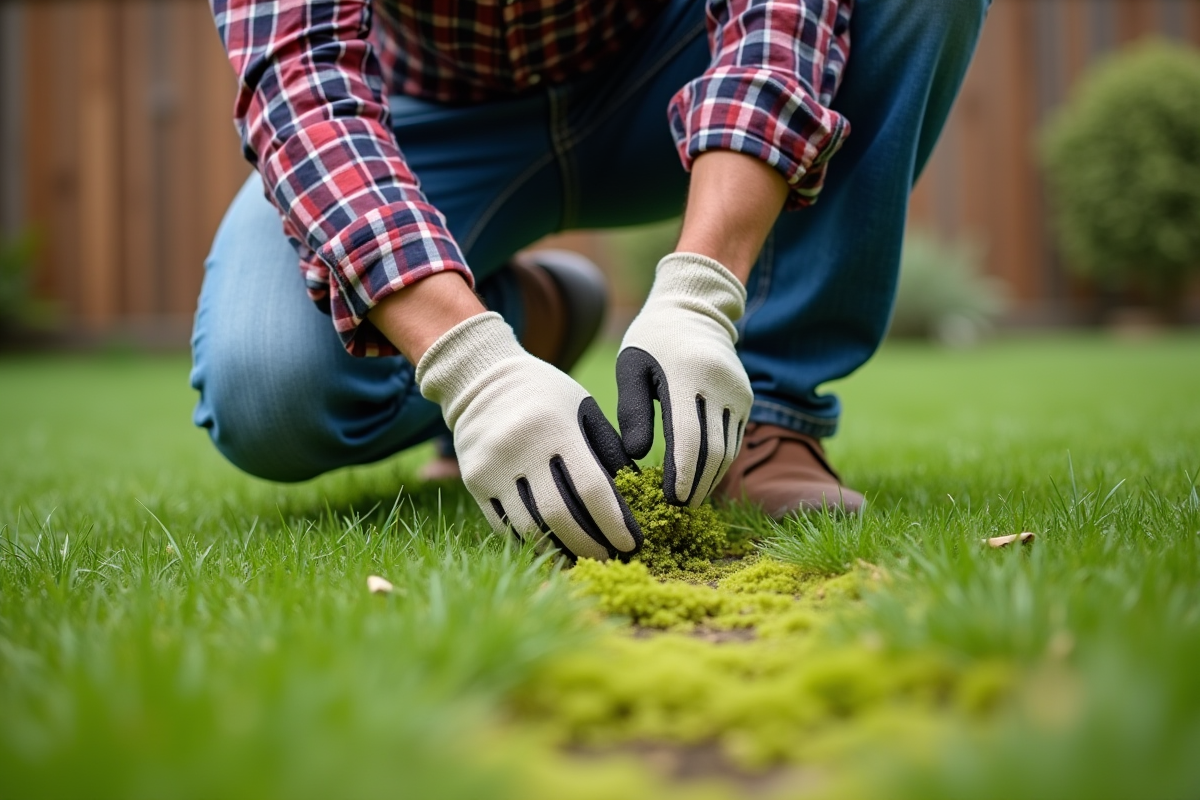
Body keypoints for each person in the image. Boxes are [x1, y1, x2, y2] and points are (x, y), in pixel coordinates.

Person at [193, 0, 989, 560]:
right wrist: (473, 367)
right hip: (422, 119)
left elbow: (778, 14)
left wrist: (701, 292)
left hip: (661, 71)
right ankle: (529, 319)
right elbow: (301, 88)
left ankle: (769, 414)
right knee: (267, 386)